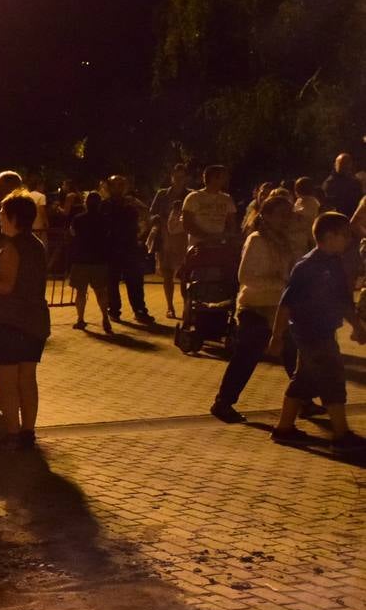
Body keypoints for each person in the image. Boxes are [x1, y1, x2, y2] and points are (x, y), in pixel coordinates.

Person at [267, 213, 366, 453]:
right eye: (345, 234)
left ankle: (284, 428)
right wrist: (276, 336)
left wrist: (356, 326)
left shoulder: (334, 263)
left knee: (304, 379)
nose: (349, 239)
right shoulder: (307, 266)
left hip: (323, 330)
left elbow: (343, 301)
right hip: (311, 331)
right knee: (333, 378)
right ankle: (341, 434)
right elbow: (286, 303)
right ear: (329, 236)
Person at [211, 196, 299, 423]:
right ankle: (223, 402)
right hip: (255, 305)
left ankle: (303, 399)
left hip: (278, 305)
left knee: (293, 352)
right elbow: (246, 276)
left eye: (288, 215)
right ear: (267, 216)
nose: (286, 220)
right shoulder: (257, 240)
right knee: (247, 355)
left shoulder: (284, 242)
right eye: (281, 215)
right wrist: (282, 283)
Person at [0, 192, 51, 449]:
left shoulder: (12, 247)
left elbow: (5, 286)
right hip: (35, 321)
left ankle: (13, 432)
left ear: (13, 218)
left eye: (2, 214)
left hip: (10, 322)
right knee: (27, 378)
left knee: (7, 380)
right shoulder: (36, 245)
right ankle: (27, 431)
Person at [100, 175, 154, 324]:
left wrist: (140, 236)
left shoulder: (131, 204)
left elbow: (144, 218)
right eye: (115, 185)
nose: (118, 188)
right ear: (109, 187)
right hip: (112, 249)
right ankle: (114, 310)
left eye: (121, 185)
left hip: (130, 248)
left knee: (135, 281)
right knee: (112, 282)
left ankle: (139, 310)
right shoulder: (104, 206)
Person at [68, 192, 113, 333]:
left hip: (81, 259)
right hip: (99, 259)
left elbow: (73, 233)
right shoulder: (105, 219)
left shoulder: (78, 219)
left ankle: (80, 319)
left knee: (81, 292)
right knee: (101, 291)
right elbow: (108, 235)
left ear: (85, 203)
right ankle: (105, 317)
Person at [150, 164, 190, 317]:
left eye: (182, 177)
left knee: (185, 275)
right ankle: (170, 307)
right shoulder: (162, 194)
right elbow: (152, 213)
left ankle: (187, 307)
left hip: (183, 239)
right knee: (167, 275)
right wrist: (159, 221)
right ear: (171, 177)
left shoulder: (190, 195)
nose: (179, 180)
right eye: (176, 177)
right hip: (166, 238)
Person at [182, 165, 238, 249]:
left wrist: (224, 237)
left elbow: (232, 224)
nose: (226, 180)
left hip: (219, 247)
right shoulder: (193, 197)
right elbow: (187, 224)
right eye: (223, 177)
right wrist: (207, 237)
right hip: (197, 247)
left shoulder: (227, 199)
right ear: (213, 178)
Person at [322, 152, 361, 216]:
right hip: (337, 219)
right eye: (342, 163)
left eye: (347, 163)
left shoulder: (355, 182)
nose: (345, 166)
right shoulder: (330, 183)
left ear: (350, 165)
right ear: (335, 165)